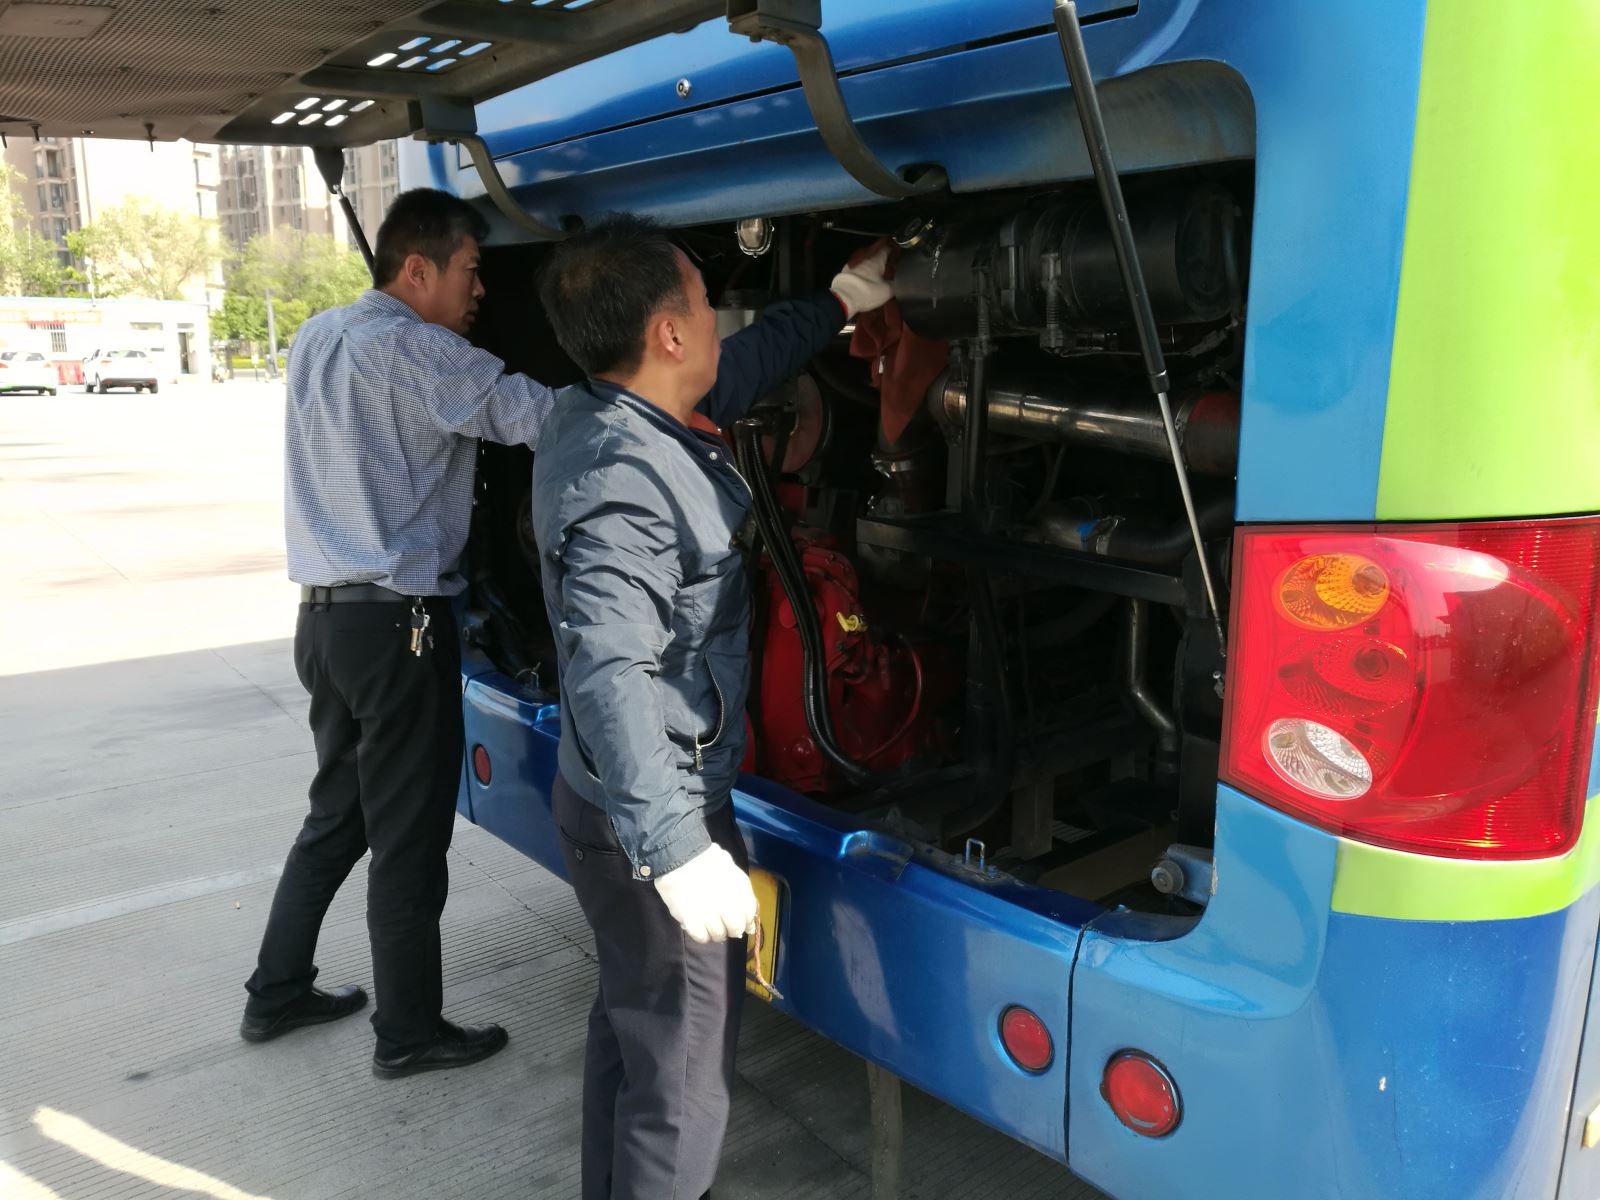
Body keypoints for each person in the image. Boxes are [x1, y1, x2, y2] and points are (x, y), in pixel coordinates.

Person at [532, 213, 893, 1198]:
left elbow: (745, 364)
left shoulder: (603, 410)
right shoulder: (624, 486)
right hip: (656, 812)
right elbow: (610, 670)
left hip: (602, 802)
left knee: (633, 1031)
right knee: (682, 1089)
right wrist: (678, 848)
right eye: (700, 302)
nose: (713, 322)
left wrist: (841, 300)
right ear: (667, 335)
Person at [239, 188, 555, 1079]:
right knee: (410, 839)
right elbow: (538, 417)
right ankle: (409, 1032)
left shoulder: (318, 335)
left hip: (325, 624)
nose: (481, 290)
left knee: (337, 815)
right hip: (400, 627)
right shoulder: (420, 350)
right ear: (418, 269)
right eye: (470, 270)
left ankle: (276, 991)